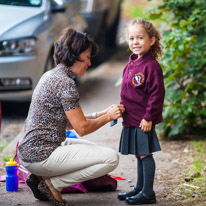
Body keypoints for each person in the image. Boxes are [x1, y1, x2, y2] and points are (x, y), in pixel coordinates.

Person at [17, 28, 125, 206]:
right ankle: (52, 184)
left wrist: (102, 113)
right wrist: (108, 118)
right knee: (111, 158)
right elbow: (81, 128)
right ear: (74, 55)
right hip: (41, 155)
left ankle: (39, 177)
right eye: (88, 57)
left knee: (94, 149)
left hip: (30, 150)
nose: (90, 62)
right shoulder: (66, 84)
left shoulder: (51, 75)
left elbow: (67, 122)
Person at [117, 18, 165, 205]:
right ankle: (139, 187)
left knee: (145, 154)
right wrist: (121, 109)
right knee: (139, 153)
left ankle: (148, 193)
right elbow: (127, 91)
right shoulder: (131, 64)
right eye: (131, 38)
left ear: (151, 40)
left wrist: (149, 117)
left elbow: (157, 94)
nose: (135, 42)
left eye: (140, 38)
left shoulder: (151, 66)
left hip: (143, 119)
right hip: (131, 118)